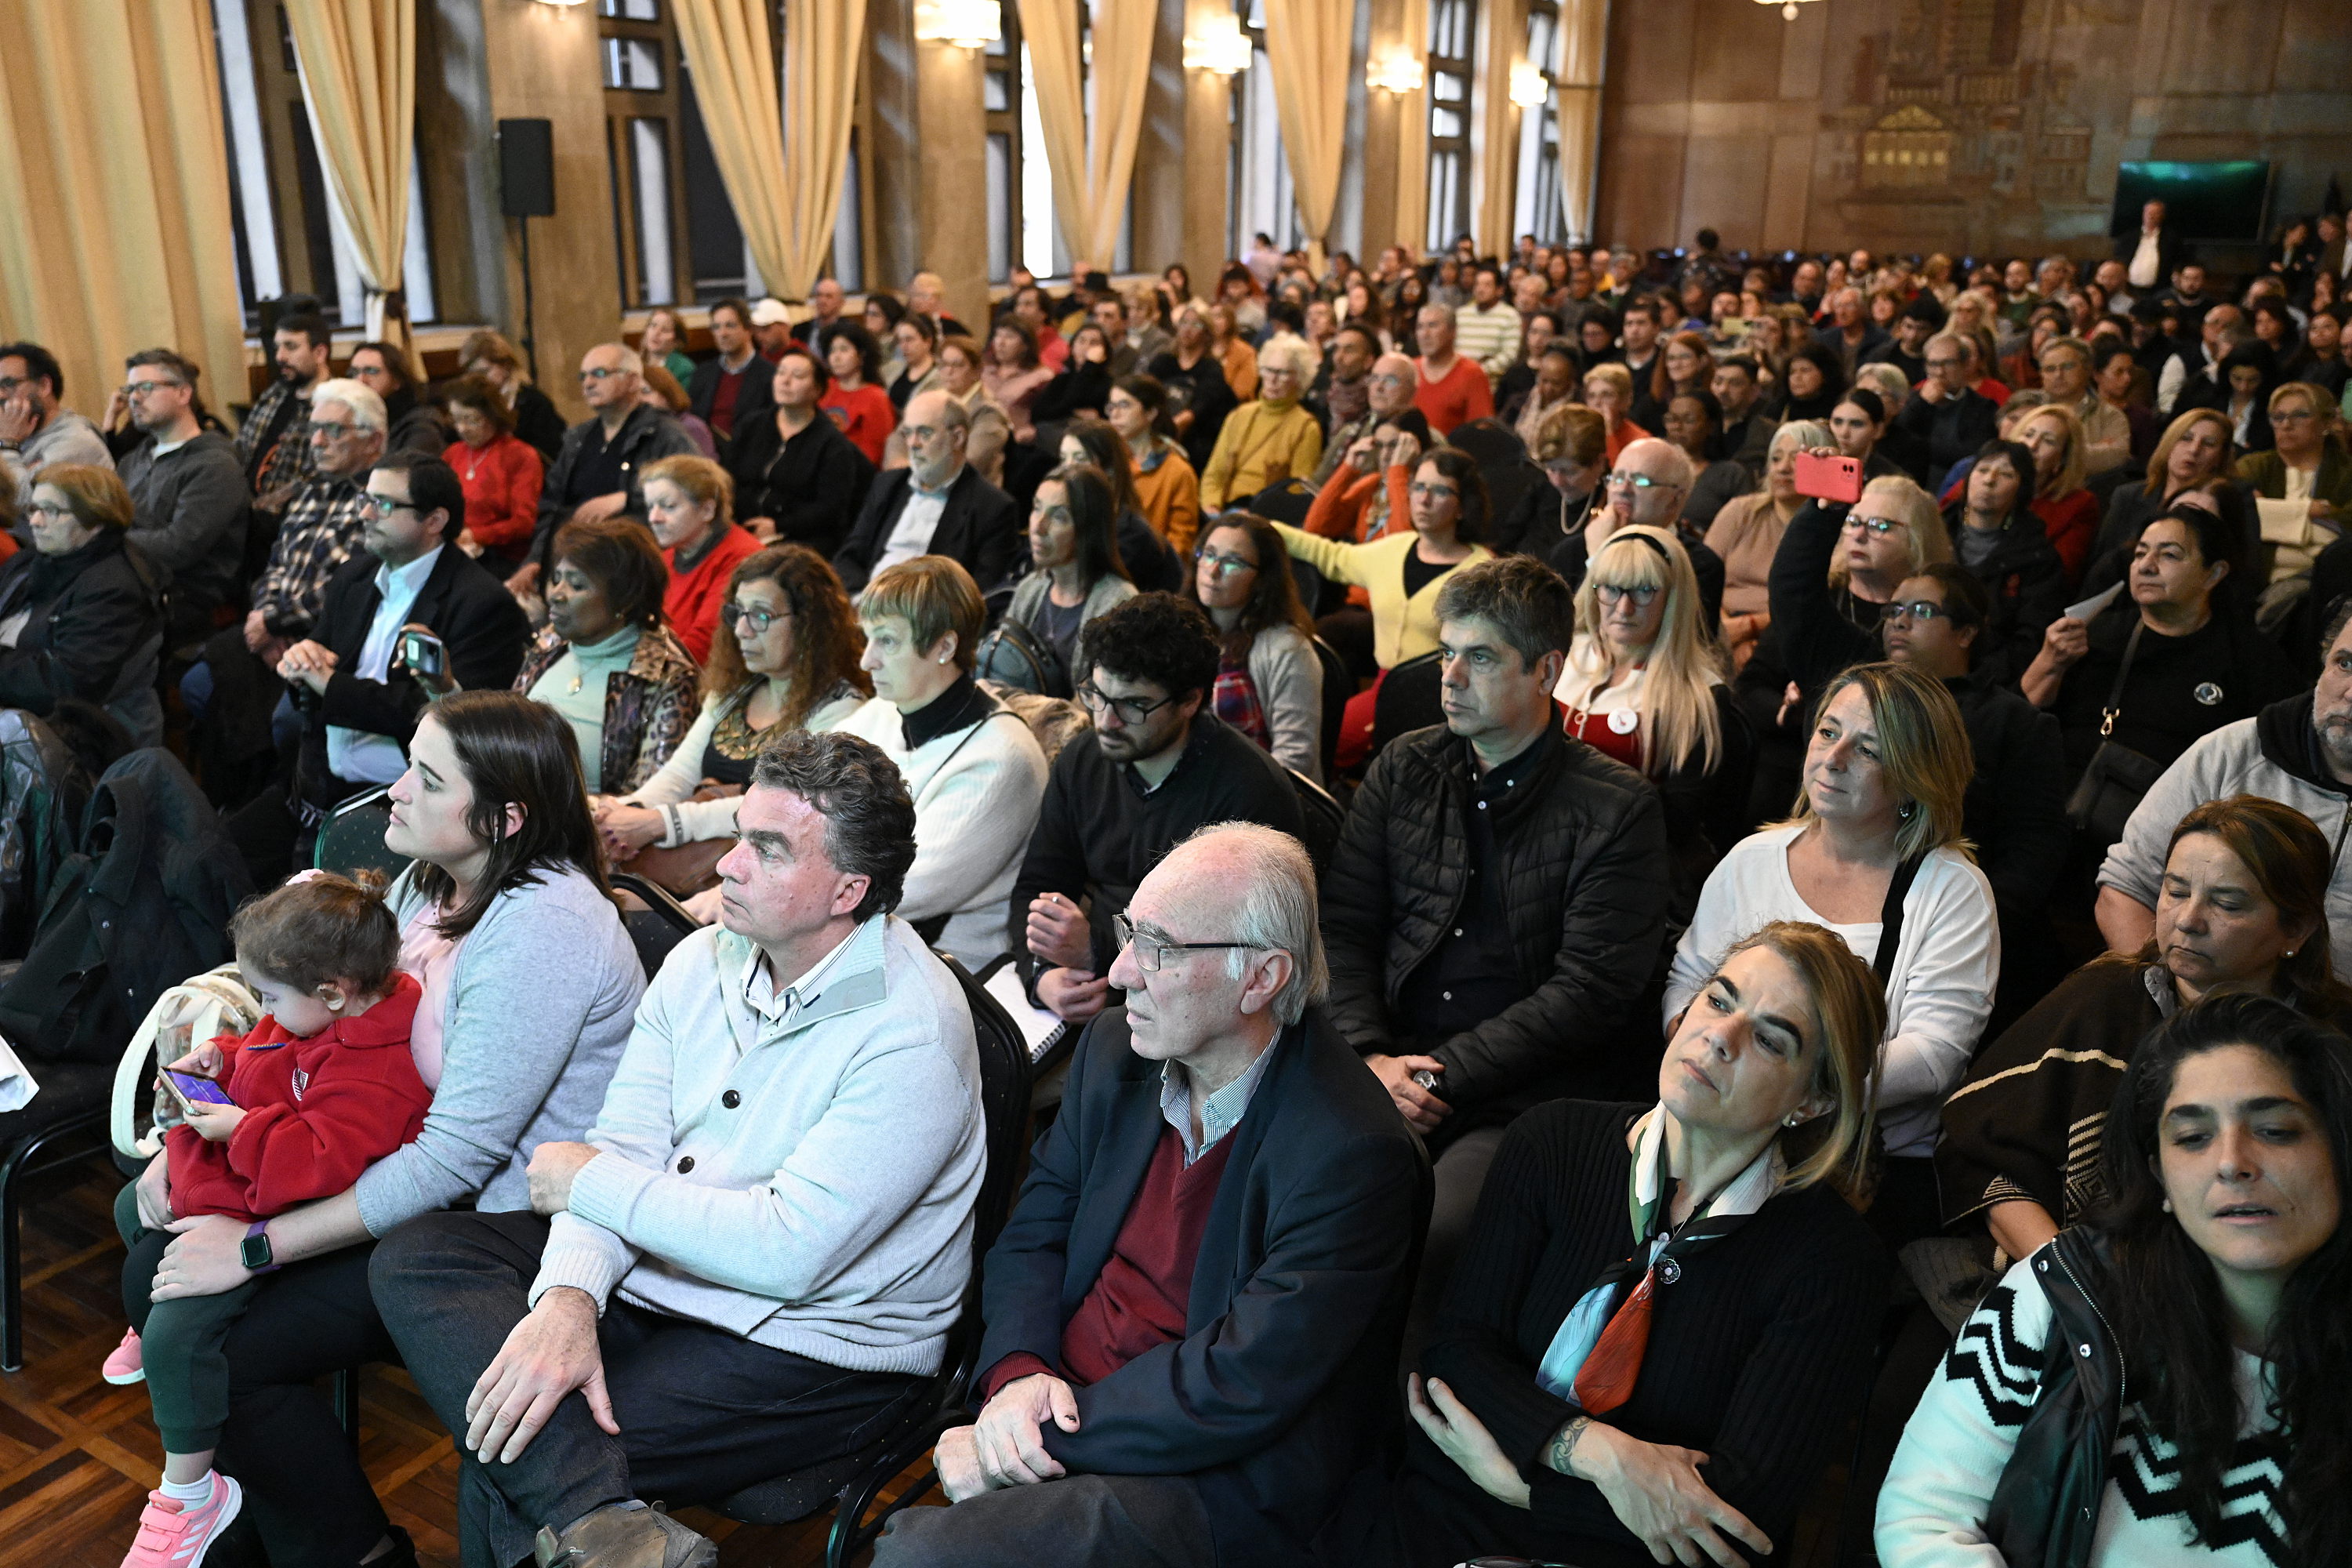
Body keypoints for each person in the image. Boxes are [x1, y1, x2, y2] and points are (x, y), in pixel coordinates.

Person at [373, 728, 985, 1568]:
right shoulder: (705, 956)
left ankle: (589, 1514)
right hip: (674, 1273)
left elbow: (787, 1252)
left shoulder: (913, 1033)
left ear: (850, 887)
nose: (728, 863)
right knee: (421, 1256)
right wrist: (569, 1301)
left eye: (767, 849)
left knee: (505, 1449)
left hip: (816, 1337)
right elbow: (624, 1143)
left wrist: (588, 1184)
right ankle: (607, 1529)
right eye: (740, 833)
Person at [147, 691, 642, 1568]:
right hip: (391, 1163)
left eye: (427, 776)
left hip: (499, 1223)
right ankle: (280, 1522)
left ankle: (349, 1549)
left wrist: (257, 1243)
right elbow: (326, 1033)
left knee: (229, 1345)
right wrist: (197, 1143)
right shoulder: (430, 880)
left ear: (504, 816)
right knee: (155, 1258)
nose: (395, 790)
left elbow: (457, 1157)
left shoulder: (545, 928)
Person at [874, 823, 1424, 1568]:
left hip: (1211, 1472)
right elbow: (1033, 1233)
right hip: (1055, 1401)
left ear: (1259, 978)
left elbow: (1239, 1384)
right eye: (1128, 931)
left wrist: (1032, 1432)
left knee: (922, 1556)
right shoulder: (1113, 1049)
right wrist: (1017, 1373)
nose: (1123, 970)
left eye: (1158, 948)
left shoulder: (1353, 1152)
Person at [1334, 920, 1890, 1568]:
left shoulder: (1834, 1262)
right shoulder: (1553, 1141)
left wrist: (1522, 1485)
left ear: (1812, 1102)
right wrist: (1603, 1454)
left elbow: (1743, 1513)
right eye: (1719, 1000)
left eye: (1769, 1039)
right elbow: (1457, 1359)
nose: (1719, 1038)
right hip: (1453, 1526)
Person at [1879, 993, 2347, 1568]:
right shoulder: (2062, 1295)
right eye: (2192, 1137)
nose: (2232, 1162)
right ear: (2160, 1177)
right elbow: (1924, 1513)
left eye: (2276, 1130)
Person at [1323, 555, 1670, 1329]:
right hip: (1385, 1060)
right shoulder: (1404, 766)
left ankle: (1406, 1422)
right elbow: (1344, 927)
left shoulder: (1616, 808)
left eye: (1479, 657)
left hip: (1518, 1093)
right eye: (1448, 651)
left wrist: (1438, 1077)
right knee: (1279, 1188)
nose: (1450, 676)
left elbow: (1588, 993)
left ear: (1546, 668)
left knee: (1435, 1230)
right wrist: (1370, 1053)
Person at [109, 872, 431, 1568]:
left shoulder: (376, 1068)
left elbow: (316, 1164)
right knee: (133, 1217)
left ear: (334, 994)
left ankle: (188, 1494)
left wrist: (238, 1129)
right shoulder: (313, 1008)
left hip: (313, 1212)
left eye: (269, 996)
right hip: (264, 1187)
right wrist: (220, 1062)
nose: (262, 1009)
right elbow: (268, 1053)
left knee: (182, 1328)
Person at [1944, 795, 2352, 1266]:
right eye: (2176, 891)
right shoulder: (2103, 996)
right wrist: (2068, 1278)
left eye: (2227, 902)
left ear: (2296, 929)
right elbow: (1984, 1161)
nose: (2187, 920)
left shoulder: (2333, 1041)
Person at [1671, 661, 1997, 1242]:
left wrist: (1786, 1090)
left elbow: (1933, 1056)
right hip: (1717, 1133)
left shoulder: (1952, 889)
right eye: (1828, 731)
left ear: (1915, 777)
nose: (1834, 756)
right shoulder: (1752, 858)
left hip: (1856, 1170)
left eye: (1868, 750)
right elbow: (1687, 983)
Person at [1008, 593, 1305, 1025]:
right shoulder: (1084, 758)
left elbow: (1228, 957)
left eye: (1133, 705)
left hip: (1198, 1017)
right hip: (1096, 991)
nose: (1106, 721)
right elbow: (1038, 883)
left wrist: (1096, 949)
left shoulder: (1250, 795)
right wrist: (1042, 976)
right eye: (1096, 694)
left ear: (1189, 701)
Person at [597, 546, 874, 916]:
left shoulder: (841, 709)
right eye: (737, 613)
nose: (742, 630)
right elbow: (679, 775)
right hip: (686, 863)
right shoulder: (734, 692)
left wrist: (660, 823)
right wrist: (626, 814)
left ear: (810, 623)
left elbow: (784, 810)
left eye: (761, 615)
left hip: (760, 881)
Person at [278, 453, 532, 842]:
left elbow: (439, 720)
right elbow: (316, 667)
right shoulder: (354, 575)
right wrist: (299, 665)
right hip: (322, 786)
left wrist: (327, 683)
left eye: (382, 504)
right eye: (366, 498)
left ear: (434, 521)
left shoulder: (483, 603)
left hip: (414, 805)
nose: (364, 512)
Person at [2096, 604, 2352, 974]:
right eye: (2344, 663)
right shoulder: (2232, 754)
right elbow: (2126, 888)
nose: (2349, 692)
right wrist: (2175, 1004)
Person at [840, 556, 1049, 969]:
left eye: (887, 641)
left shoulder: (1001, 760)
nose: (867, 661)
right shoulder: (885, 709)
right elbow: (791, 796)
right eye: (868, 638)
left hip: (948, 972)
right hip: (862, 942)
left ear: (945, 647)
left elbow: (900, 888)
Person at [2025, 501, 2298, 785]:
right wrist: (2050, 663)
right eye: (2140, 553)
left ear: (2214, 573)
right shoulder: (2091, 637)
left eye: (2169, 555)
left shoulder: (2250, 658)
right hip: (2067, 797)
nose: (2146, 566)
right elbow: (2022, 720)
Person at [1556, 526, 1752, 912]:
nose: (1623, 608)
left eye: (1644, 591)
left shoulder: (1700, 692)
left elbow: (1678, 818)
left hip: (1626, 873)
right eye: (1610, 588)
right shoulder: (1560, 655)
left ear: (1673, 597)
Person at [1276, 449, 1497, 758]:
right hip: (1383, 688)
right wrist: (1262, 530)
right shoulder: (1393, 549)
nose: (1424, 499)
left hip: (1446, 701)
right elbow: (1325, 553)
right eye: (1418, 487)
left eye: (1440, 490)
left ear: (1462, 506)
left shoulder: (1481, 571)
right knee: (1318, 745)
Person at [510, 515, 700, 795]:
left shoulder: (666, 676)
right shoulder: (550, 643)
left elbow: (648, 799)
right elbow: (500, 740)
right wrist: (444, 689)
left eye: (576, 585)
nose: (556, 595)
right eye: (556, 579)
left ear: (624, 599)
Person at [0, 466, 164, 744]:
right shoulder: (33, 560)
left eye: (51, 511)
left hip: (81, 738)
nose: (36, 521)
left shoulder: (114, 589)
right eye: (33, 509)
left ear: (96, 521)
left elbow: (63, 683)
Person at [524, 344, 696, 581]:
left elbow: (692, 494)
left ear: (633, 381)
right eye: (583, 376)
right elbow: (551, 506)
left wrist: (627, 497)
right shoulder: (578, 438)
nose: (588, 383)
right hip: (568, 564)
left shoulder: (665, 435)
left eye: (600, 374)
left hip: (632, 566)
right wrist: (535, 560)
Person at [114, 348, 249, 644]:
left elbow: (179, 547)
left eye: (147, 388)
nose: (134, 398)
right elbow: (113, 518)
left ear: (183, 393)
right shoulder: (134, 460)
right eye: (131, 389)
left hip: (185, 598)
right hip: (134, 582)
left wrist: (108, 540)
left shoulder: (214, 464)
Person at [245, 379, 386, 659]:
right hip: (278, 634)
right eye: (314, 429)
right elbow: (275, 565)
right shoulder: (312, 490)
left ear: (373, 441)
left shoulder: (380, 500)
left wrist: (274, 623)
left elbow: (349, 588)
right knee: (201, 680)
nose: (318, 442)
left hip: (335, 643)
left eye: (333, 430)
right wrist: (266, 618)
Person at [833, 390, 1023, 595]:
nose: (912, 444)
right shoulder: (887, 485)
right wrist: (860, 601)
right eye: (908, 433)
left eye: (924, 433)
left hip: (927, 616)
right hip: (866, 604)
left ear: (958, 438)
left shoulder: (992, 508)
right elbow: (849, 558)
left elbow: (981, 595)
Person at [1188, 514, 1323, 779]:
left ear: (1262, 579)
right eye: (1210, 554)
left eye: (1233, 562)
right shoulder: (1180, 630)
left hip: (1254, 803)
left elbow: (1296, 759)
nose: (1213, 570)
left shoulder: (1288, 649)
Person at [1550, 437, 1728, 633]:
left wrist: (1598, 558)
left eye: (1640, 481)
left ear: (1675, 498)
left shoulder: (1700, 566)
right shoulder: (1571, 552)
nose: (1623, 490)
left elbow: (1672, 643)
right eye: (1617, 478)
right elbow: (1560, 634)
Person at [724, 343, 877, 560]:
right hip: (743, 527)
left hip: (801, 538)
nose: (785, 381)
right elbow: (728, 478)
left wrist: (777, 525)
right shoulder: (752, 425)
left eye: (797, 376)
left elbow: (830, 509)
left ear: (817, 390)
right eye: (781, 373)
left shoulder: (832, 444)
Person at [2084, 405, 2258, 582]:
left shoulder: (2234, 498)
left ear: (2221, 457)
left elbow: (2247, 570)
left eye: (2209, 444)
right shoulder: (2127, 496)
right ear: (2169, 444)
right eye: (2185, 438)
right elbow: (2099, 567)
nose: (2194, 449)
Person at [1943, 437, 2067, 684]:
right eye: (1982, 470)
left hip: (1993, 679)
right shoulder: (1935, 531)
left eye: (2006, 475)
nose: (1989, 480)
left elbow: (2030, 638)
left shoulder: (2037, 556)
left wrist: (1979, 678)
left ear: (2022, 490)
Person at [1707, 420, 1826, 668]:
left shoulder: (1829, 527)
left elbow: (1814, 606)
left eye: (1796, 460)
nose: (1783, 468)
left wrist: (1749, 628)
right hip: (1719, 627)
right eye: (1776, 459)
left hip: (1785, 639)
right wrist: (1727, 632)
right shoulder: (1740, 511)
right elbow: (1701, 580)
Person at [1006, 463, 1136, 690]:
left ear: (1089, 529)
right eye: (1037, 508)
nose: (1038, 526)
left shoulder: (1118, 604)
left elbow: (1100, 698)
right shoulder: (1030, 588)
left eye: (1058, 517)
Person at [640, 452, 760, 665]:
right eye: (650, 507)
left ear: (707, 509)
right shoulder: (667, 557)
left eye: (668, 506)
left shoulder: (742, 559)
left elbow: (702, 647)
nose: (654, 518)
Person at [2238, 382, 2352, 589]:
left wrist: (2270, 514)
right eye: (2278, 417)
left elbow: (2345, 536)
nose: (2286, 425)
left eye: (2300, 415)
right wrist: (2311, 510)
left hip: (2330, 588)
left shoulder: (2347, 473)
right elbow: (2237, 515)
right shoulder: (2252, 467)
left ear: (2326, 423)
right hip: (2256, 587)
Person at [1055, 419, 1183, 594]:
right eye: (1063, 459)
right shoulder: (1069, 520)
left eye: (1080, 459)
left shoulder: (1130, 534)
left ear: (1110, 470)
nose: (1066, 469)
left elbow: (1094, 595)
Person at [1199, 338, 1324, 511]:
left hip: (1267, 516)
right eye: (1268, 370)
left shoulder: (1306, 427)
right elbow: (1214, 474)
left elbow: (1298, 492)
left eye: (1283, 373)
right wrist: (1212, 507)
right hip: (1225, 510)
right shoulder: (1239, 415)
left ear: (1299, 378)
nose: (1272, 379)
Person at [440, 376, 543, 579]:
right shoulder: (454, 453)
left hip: (502, 559)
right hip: (459, 551)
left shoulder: (519, 455)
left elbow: (524, 523)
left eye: (471, 420)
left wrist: (475, 535)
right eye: (456, 419)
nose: (462, 428)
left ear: (493, 416)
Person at [0, 341, 112, 509]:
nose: (1, 395)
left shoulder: (77, 441)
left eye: (8, 384)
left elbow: (25, 504)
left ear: (44, 385)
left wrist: (8, 445)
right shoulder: (18, 437)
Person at [237, 314, 332, 503]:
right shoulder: (274, 394)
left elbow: (314, 478)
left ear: (319, 353)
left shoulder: (333, 406)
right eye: (277, 347)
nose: (279, 357)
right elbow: (241, 449)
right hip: (241, 506)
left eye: (290, 347)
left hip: (286, 515)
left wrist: (259, 508)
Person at [1497, 399, 1605, 561]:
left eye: (1570, 472)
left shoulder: (1613, 500)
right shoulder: (1542, 487)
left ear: (1599, 463)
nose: (1557, 481)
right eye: (1551, 469)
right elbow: (1506, 545)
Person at [1106, 375, 1201, 557]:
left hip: (1150, 571)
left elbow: (1180, 543)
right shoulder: (1107, 461)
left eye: (1124, 405)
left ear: (1151, 413)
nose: (1115, 415)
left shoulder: (1178, 471)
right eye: (1112, 406)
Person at [1897, 332, 2002, 492]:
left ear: (1965, 365)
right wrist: (1922, 404)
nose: (1939, 372)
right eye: (1933, 364)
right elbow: (1898, 444)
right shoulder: (1913, 402)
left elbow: (1971, 456)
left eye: (1948, 363)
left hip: (1958, 490)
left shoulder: (1984, 408)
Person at [2013, 401, 2103, 582]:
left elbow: (2059, 574)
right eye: (2028, 434)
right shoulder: (1982, 477)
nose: (2032, 445)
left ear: (2062, 460)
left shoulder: (2079, 505)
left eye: (2048, 441)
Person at [1149, 307, 1241, 470]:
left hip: (1195, 442)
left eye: (1196, 325)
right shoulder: (1162, 362)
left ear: (1207, 334)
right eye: (1184, 322)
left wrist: (1160, 440)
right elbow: (1144, 397)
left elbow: (1192, 414)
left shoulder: (1212, 370)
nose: (1187, 329)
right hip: (1159, 434)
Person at [458, 328, 568, 464]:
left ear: (506, 365)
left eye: (485, 371)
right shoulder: (471, 402)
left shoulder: (533, 403)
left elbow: (550, 454)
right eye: (473, 374)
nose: (479, 379)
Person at [2038, 333, 2134, 477]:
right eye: (2050, 369)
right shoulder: (2029, 409)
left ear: (2087, 369)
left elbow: (2117, 456)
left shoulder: (2111, 416)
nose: (2058, 375)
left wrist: (2047, 454)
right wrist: (2092, 450)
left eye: (2068, 366)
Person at [684, 299, 775, 449]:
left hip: (750, 454)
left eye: (730, 326)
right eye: (716, 327)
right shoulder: (702, 374)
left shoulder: (769, 375)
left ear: (748, 329)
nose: (722, 333)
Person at [346, 342, 448, 459]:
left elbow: (405, 471)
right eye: (354, 372)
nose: (361, 380)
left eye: (371, 371)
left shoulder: (422, 421)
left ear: (397, 380)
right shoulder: (351, 415)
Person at [1663, 388, 1747, 529]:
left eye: (1688, 420)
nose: (1677, 427)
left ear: (1711, 426)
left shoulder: (1730, 474)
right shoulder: (1654, 468)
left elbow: (1742, 529)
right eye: (1672, 419)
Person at [1412, 304, 1497, 437]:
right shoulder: (1409, 370)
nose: (1425, 334)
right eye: (1420, 327)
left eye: (1433, 325)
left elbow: (1482, 432)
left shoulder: (1472, 374)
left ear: (1453, 331)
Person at [982, 319, 1055, 443]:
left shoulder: (1041, 377)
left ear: (1025, 346)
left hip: (1019, 441)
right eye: (998, 335)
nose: (1001, 342)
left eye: (1009, 337)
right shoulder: (983, 371)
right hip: (982, 436)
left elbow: (1049, 416)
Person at [1454, 263, 1523, 383]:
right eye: (1477, 284)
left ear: (1499, 290)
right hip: (1458, 378)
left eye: (1487, 285)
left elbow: (1510, 355)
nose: (1480, 289)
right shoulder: (1461, 314)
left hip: (1489, 382)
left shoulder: (1510, 316)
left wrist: (1477, 370)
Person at [1581, 363, 1642, 465]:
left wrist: (1608, 432)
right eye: (1591, 396)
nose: (1597, 403)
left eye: (1606, 395)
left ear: (1626, 400)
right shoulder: (1579, 433)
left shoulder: (1639, 441)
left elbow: (1616, 475)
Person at [891, 312, 945, 412]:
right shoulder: (892, 371)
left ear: (928, 342)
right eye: (900, 341)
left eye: (909, 340)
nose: (903, 347)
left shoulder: (941, 376)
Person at [637, 304, 695, 387]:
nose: (656, 333)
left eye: (665, 330)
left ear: (677, 341)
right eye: (653, 325)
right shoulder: (633, 363)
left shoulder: (684, 369)